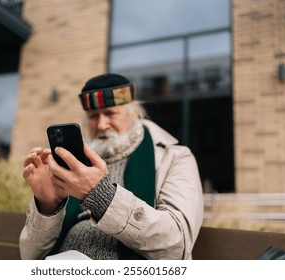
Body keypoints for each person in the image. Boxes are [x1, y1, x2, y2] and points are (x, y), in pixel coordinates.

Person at [19, 73, 204, 260]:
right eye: (93, 116)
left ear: (133, 114)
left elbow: (176, 245)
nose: (102, 124)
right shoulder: (74, 166)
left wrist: (99, 194)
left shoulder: (175, 157)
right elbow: (29, 257)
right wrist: (47, 207)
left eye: (110, 113)